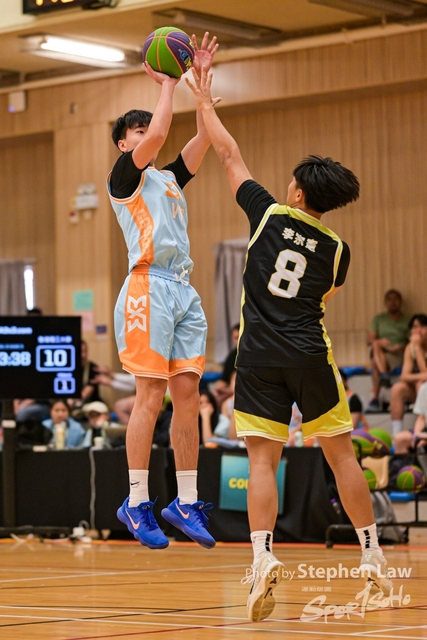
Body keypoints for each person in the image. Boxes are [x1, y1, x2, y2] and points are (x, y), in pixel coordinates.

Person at [186, 66, 392, 621]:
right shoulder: (339, 250)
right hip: (309, 354)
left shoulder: (267, 214)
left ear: (297, 192)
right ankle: (372, 556)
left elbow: (228, 154)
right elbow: (322, 294)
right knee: (341, 455)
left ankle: (261, 558)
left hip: (257, 356)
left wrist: (204, 102)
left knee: (261, 462)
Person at [106, 33, 219, 550]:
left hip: (183, 290)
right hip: (147, 286)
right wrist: (169, 83)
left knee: (188, 396)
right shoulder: (124, 177)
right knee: (150, 395)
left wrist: (201, 89)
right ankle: (135, 502)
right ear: (124, 144)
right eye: (137, 130)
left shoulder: (168, 178)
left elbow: (204, 140)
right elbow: (160, 130)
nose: (146, 131)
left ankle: (186, 501)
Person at [367, 289, 410, 412]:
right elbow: (370, 340)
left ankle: (376, 397)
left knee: (374, 363)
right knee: (376, 344)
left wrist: (400, 347)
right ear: (385, 302)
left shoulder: (407, 320)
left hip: (401, 353)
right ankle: (384, 376)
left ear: (401, 302)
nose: (392, 302)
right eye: (389, 300)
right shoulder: (378, 319)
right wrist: (381, 342)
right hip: (383, 353)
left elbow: (412, 342)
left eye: (395, 299)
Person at [389, 314, 427, 436]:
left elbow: (424, 371)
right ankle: (396, 434)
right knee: (397, 389)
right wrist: (421, 377)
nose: (418, 331)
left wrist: (418, 349)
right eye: (415, 327)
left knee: (422, 385)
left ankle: (423, 430)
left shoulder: (416, 347)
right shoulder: (410, 348)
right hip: (419, 390)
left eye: (422, 326)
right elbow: (405, 376)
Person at [394, 381, 427, 453]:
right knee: (400, 439)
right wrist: (416, 434)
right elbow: (421, 417)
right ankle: (405, 461)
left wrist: (425, 436)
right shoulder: (424, 388)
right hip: (425, 431)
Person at [212, 323, 240, 405]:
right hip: (231, 391)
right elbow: (223, 380)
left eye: (239, 337)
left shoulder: (253, 355)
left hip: (243, 392)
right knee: (213, 397)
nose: (238, 341)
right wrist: (217, 391)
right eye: (235, 338)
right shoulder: (232, 356)